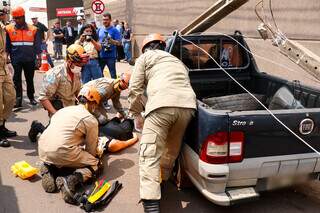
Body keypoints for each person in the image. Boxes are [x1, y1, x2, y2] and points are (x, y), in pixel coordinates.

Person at [128, 33, 197, 212]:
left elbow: (135, 88)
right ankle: (162, 180)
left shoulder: (145, 57)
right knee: (171, 149)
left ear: (145, 48)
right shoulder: (177, 61)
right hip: (188, 106)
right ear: (162, 46)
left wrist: (136, 113)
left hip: (161, 105)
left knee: (149, 153)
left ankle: (151, 203)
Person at [38, 87, 138, 204]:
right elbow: (91, 151)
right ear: (93, 104)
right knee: (96, 164)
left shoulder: (64, 110)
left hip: (42, 148)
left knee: (66, 155)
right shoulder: (90, 119)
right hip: (61, 151)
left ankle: (50, 168)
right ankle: (70, 180)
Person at [28, 44, 89, 142]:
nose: (80, 67)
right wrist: (56, 114)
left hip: (70, 105)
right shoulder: (55, 74)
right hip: (57, 106)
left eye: (81, 65)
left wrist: (83, 101)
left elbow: (78, 91)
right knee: (55, 140)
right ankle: (37, 127)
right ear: (69, 61)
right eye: (78, 64)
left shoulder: (76, 72)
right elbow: (43, 97)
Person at [5, 6, 41, 107]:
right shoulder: (9, 29)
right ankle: (18, 99)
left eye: (18, 18)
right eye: (15, 18)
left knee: (29, 79)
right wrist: (6, 57)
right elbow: (7, 45)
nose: (16, 20)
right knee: (16, 79)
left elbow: (37, 46)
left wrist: (39, 58)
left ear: (23, 17)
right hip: (16, 59)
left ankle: (31, 97)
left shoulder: (33, 29)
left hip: (30, 59)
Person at [0, 3, 16, 147]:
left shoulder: (4, 29)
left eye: (4, 13)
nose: (3, 16)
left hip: (4, 68)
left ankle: (2, 125)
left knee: (11, 98)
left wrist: (8, 62)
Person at [97, 12, 121, 79]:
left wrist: (112, 41)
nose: (105, 21)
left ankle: (115, 88)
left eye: (106, 19)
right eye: (104, 19)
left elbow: (119, 43)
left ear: (110, 20)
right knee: (99, 73)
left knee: (113, 75)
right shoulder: (99, 29)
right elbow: (96, 40)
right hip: (101, 55)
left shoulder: (115, 30)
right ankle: (104, 86)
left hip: (111, 56)